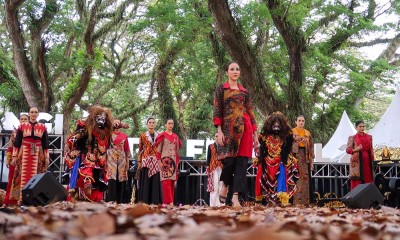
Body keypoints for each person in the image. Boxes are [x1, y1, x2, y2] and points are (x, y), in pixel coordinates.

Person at [213, 61, 258, 207]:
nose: (235, 71)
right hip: (227, 130)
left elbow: (250, 111)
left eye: (237, 69)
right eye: (232, 69)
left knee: (241, 164)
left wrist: (255, 134)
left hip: (245, 129)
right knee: (228, 162)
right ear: (227, 72)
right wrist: (219, 130)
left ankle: (235, 197)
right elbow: (217, 110)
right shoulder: (221, 90)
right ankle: (225, 185)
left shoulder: (244, 92)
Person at [64, 105, 113, 202]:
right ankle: (84, 185)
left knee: (97, 175)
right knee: (85, 168)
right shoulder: (85, 126)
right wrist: (68, 144)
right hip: (82, 154)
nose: (101, 121)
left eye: (103, 119)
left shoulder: (105, 133)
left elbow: (106, 145)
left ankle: (91, 189)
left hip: (97, 158)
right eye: (99, 118)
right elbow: (76, 136)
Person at [254, 112, 298, 205]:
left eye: (278, 125)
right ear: (270, 125)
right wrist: (261, 158)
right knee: (266, 180)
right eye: (274, 125)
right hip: (267, 162)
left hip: (281, 162)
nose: (276, 127)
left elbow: (287, 150)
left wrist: (284, 159)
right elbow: (262, 150)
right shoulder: (265, 136)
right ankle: (269, 200)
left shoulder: (287, 136)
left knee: (281, 180)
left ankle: (280, 200)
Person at [9, 107, 49, 204]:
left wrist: (47, 157)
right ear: (29, 113)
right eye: (32, 112)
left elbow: (46, 144)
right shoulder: (22, 126)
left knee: (38, 175)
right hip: (23, 153)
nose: (34, 114)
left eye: (36, 112)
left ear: (38, 114)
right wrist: (14, 156)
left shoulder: (43, 127)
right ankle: (20, 199)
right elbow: (17, 142)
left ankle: (35, 199)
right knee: (20, 175)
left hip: (38, 153)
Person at [3, 114, 29, 205]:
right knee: (12, 180)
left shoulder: (31, 132)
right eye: (21, 119)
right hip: (15, 159)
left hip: (27, 159)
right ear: (19, 120)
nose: (23, 120)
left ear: (28, 120)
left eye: (25, 119)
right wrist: (8, 159)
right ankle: (9, 201)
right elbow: (10, 146)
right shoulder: (15, 131)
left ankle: (24, 201)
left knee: (26, 181)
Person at [155, 119, 182, 205]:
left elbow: (177, 151)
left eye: (172, 123)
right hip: (165, 161)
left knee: (171, 182)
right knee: (165, 182)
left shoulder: (175, 137)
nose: (170, 125)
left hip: (173, 161)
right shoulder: (162, 136)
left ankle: (167, 204)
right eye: (169, 123)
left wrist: (177, 163)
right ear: (166, 124)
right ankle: (170, 202)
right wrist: (159, 162)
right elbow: (158, 150)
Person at [137, 117, 163, 204]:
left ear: (155, 124)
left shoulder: (159, 135)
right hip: (146, 160)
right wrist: (139, 162)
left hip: (156, 161)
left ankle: (155, 201)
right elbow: (140, 149)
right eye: (150, 122)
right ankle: (145, 201)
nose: (151, 124)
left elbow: (160, 149)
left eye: (153, 122)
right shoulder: (143, 135)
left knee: (155, 181)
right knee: (146, 181)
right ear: (147, 124)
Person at [106, 119, 131, 203]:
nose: (116, 124)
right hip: (111, 159)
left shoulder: (124, 136)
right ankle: (111, 200)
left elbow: (127, 149)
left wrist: (128, 162)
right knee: (112, 180)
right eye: (114, 122)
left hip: (122, 160)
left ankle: (119, 201)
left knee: (121, 180)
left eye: (117, 122)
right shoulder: (108, 134)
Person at [292, 115, 314, 205]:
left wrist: (312, 162)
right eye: (299, 120)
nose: (301, 122)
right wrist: (297, 141)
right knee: (296, 178)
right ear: (296, 122)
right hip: (295, 156)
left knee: (305, 178)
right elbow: (287, 145)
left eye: (303, 121)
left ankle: (306, 201)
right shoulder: (292, 132)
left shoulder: (307, 133)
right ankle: (295, 201)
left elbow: (311, 148)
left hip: (305, 157)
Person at [346, 120, 374, 190]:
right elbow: (348, 150)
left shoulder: (369, 137)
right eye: (360, 126)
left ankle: (369, 198)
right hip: (357, 162)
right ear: (356, 127)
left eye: (363, 126)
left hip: (367, 160)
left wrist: (373, 158)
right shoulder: (352, 137)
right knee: (357, 181)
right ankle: (356, 198)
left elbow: (371, 149)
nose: (362, 128)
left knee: (368, 178)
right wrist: (356, 150)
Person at [206, 133, 223, 206]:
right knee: (214, 186)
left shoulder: (223, 146)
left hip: (222, 167)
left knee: (221, 186)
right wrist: (207, 167)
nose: (217, 137)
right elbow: (208, 157)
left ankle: (221, 204)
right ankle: (213, 205)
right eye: (216, 136)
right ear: (214, 137)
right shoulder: (210, 146)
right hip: (213, 167)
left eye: (218, 136)